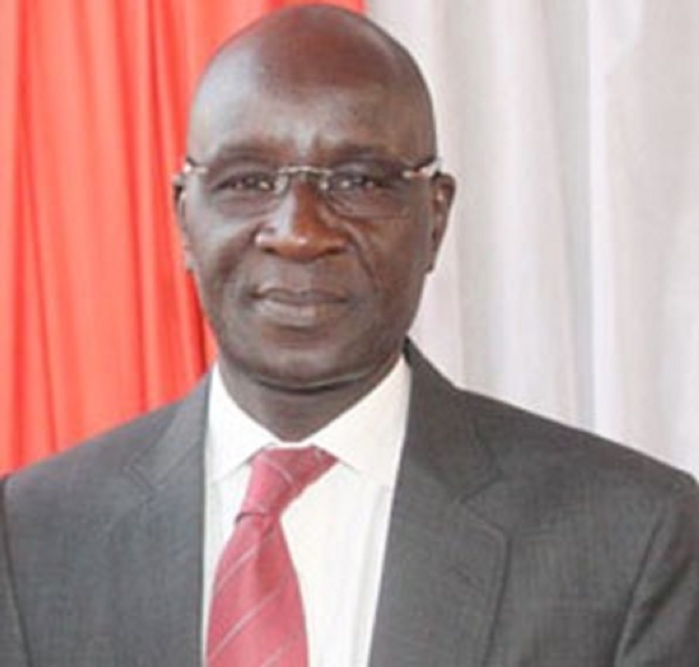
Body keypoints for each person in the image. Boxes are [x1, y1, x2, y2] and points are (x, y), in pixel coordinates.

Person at [2, 5, 699, 666]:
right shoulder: (30, 537)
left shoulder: (629, 539)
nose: (299, 232)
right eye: (249, 181)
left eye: (358, 181)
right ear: (186, 218)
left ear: (434, 219)